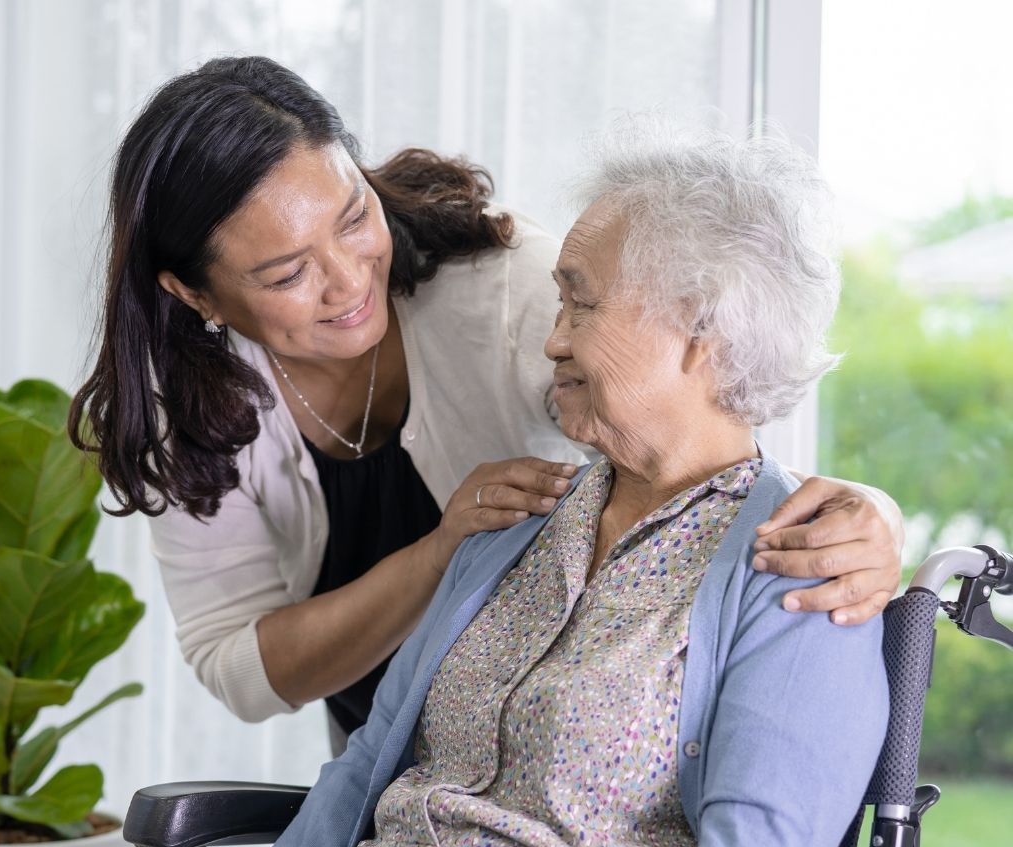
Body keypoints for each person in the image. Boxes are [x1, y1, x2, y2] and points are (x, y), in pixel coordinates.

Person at [21, 119, 890, 847]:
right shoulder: (512, 523)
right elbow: (359, 779)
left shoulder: (798, 577)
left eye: (580, 304)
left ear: (701, 329)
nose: (551, 336)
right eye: (558, 298)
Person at [71, 56, 902, 753]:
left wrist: (869, 517)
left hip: (558, 752)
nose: (350, 278)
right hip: (399, 774)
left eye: (354, 215)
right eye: (288, 274)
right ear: (194, 294)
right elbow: (242, 669)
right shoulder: (183, 404)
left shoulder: (509, 291)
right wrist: (440, 555)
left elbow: (713, 424)